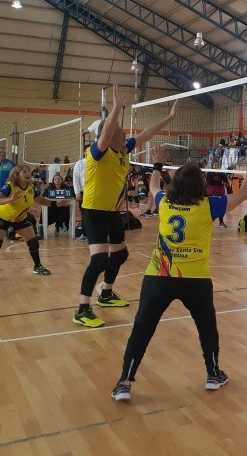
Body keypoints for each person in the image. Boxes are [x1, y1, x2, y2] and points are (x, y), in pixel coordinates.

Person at [110, 145, 247, 402]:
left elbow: (155, 186)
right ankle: (213, 374)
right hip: (195, 279)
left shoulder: (164, 202)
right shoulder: (209, 205)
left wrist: (157, 165)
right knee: (206, 328)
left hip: (159, 275)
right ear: (199, 185)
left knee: (142, 329)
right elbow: (244, 192)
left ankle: (124, 381)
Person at [74, 84, 178, 329]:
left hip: (113, 211)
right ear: (108, 137)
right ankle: (82, 309)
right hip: (94, 210)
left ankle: (106, 294)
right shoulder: (98, 152)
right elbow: (108, 130)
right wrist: (117, 108)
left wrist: (169, 118)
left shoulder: (123, 150)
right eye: (119, 131)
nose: (124, 134)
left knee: (121, 254)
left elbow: (147, 133)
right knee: (98, 260)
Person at [0, 165, 53, 283]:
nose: (28, 173)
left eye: (29, 171)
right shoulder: (9, 186)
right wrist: (10, 199)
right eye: (24, 172)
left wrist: (57, 204)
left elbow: (41, 200)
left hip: (19, 218)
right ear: (17, 175)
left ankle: (37, 266)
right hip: (1, 216)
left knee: (33, 242)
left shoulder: (32, 187)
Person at [205, 164, 230, 228]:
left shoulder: (222, 173)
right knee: (211, 207)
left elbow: (226, 182)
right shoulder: (209, 173)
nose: (216, 166)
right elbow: (210, 182)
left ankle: (221, 222)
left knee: (221, 207)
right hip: (211, 192)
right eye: (215, 165)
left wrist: (229, 190)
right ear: (212, 166)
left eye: (218, 165)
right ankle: (209, 221)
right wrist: (221, 183)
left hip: (220, 192)